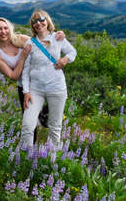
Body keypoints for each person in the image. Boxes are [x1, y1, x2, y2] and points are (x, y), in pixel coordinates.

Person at [0, 17, 65, 141]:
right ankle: (30, 151)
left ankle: (44, 117)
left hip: (43, 79)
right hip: (25, 88)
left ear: (10, 29)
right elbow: (13, 76)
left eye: (5, 28)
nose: (3, 32)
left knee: (54, 109)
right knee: (29, 122)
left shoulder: (21, 39)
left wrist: (58, 37)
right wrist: (23, 57)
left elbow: (44, 49)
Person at [21, 10, 76, 149]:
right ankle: (25, 158)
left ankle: (51, 161)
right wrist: (26, 91)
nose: (38, 23)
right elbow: (26, 70)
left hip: (56, 87)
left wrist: (65, 59)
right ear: (32, 26)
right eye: (34, 21)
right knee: (27, 125)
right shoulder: (30, 42)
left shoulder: (57, 37)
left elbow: (72, 52)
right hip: (35, 90)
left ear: (47, 21)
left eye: (41, 19)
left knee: (55, 127)